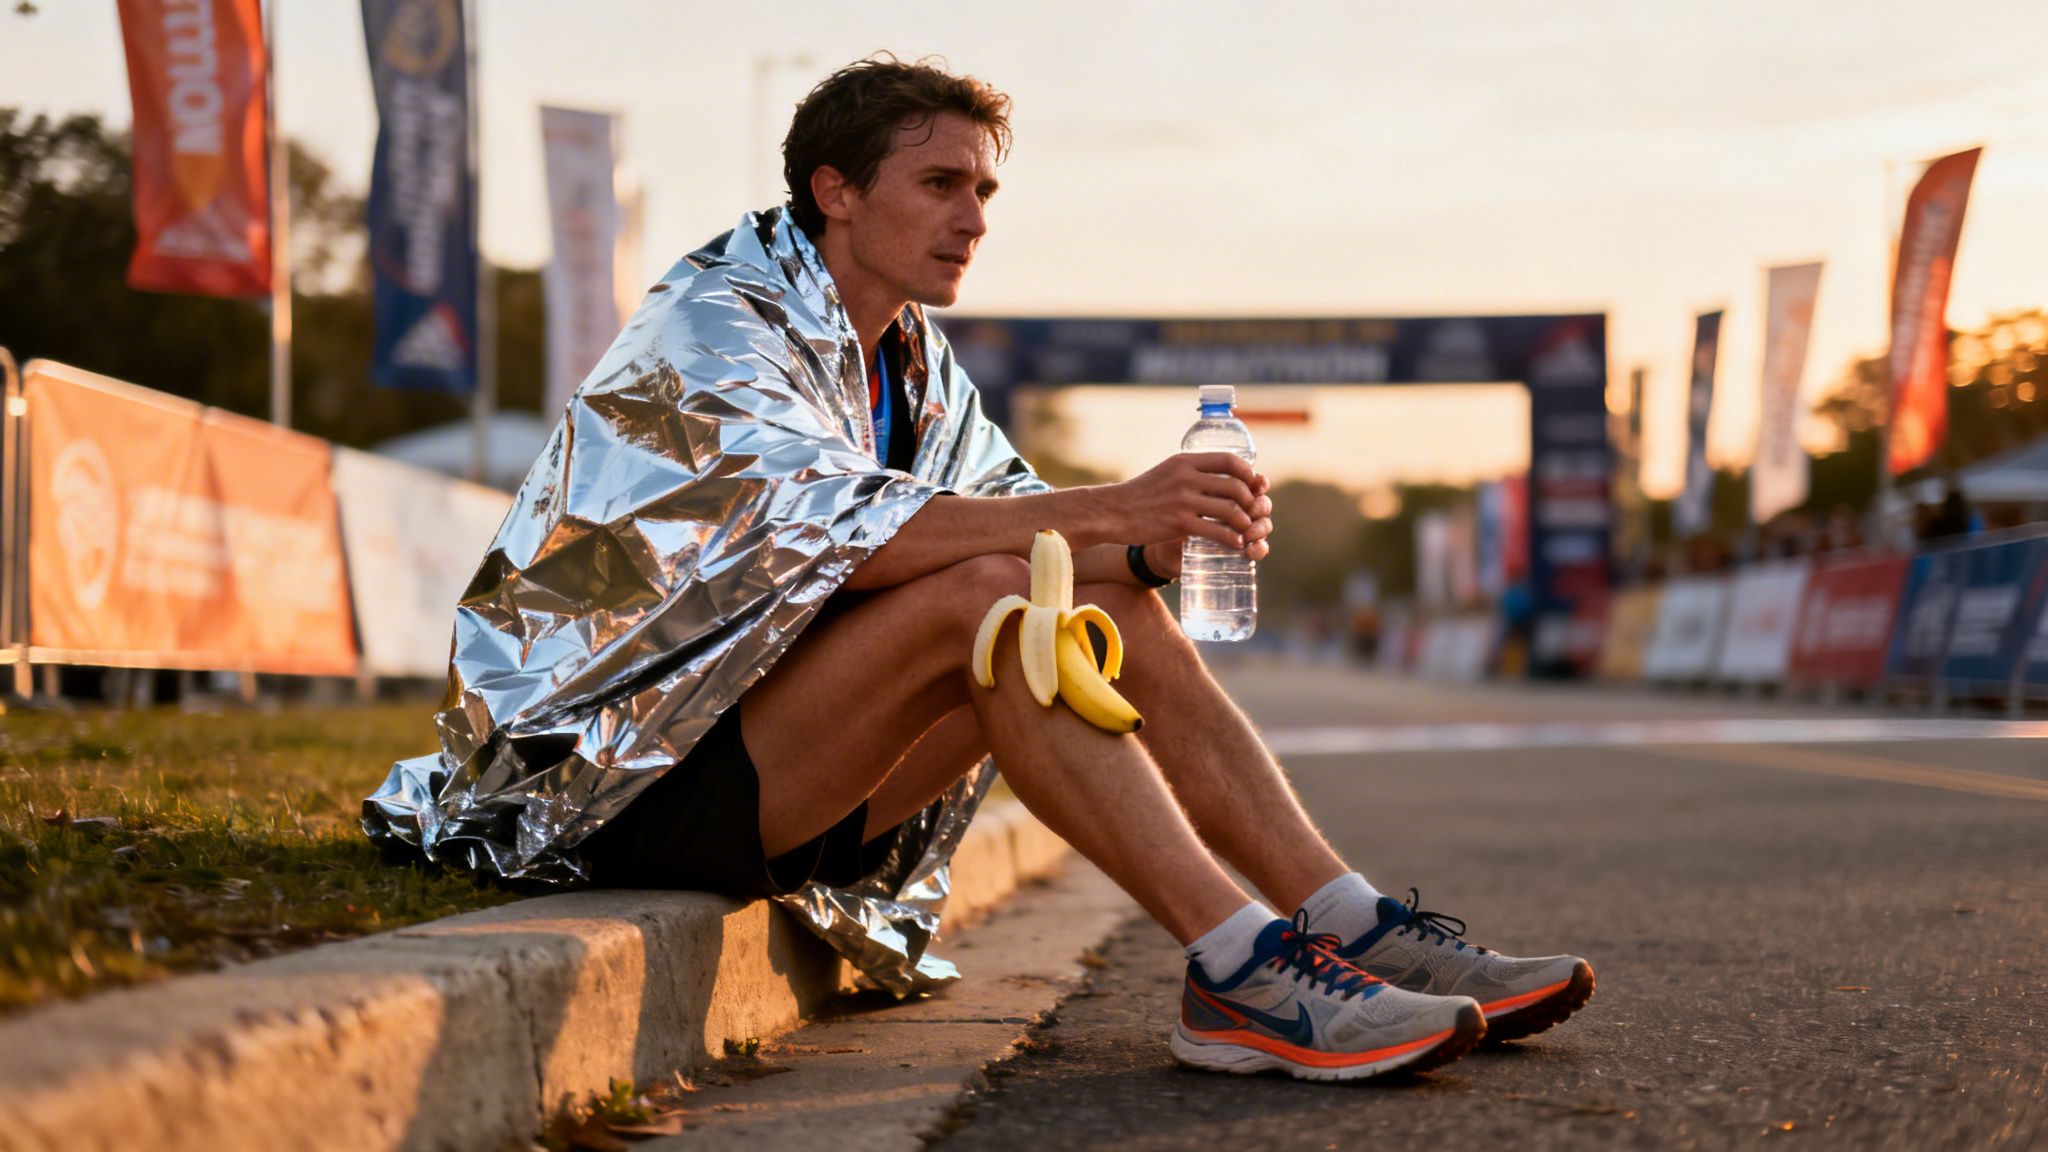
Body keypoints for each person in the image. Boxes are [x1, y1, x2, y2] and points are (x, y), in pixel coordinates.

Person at [367, 56, 1592, 1083]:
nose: (973, 218)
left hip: (785, 764)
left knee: (1085, 590)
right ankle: (1238, 968)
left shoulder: (903, 353)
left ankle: (1348, 924)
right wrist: (1115, 502)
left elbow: (1019, 519)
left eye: (985, 191)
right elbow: (829, 533)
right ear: (831, 191)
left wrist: (1146, 544)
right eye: (940, 183)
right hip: (617, 781)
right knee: (989, 599)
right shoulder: (715, 320)